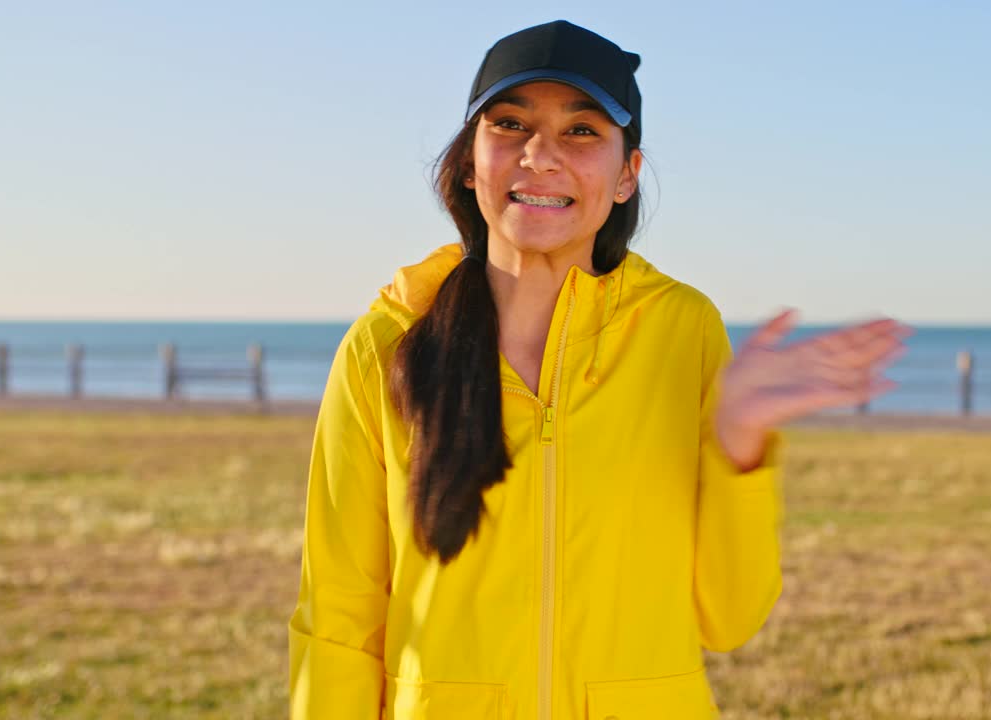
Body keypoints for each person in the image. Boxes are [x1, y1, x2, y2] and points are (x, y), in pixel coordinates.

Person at [288, 19, 908, 720]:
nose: (540, 156)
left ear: (625, 176)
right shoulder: (386, 345)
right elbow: (338, 617)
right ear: (470, 162)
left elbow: (729, 618)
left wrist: (739, 443)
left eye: (582, 131)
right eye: (510, 125)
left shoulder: (682, 330)